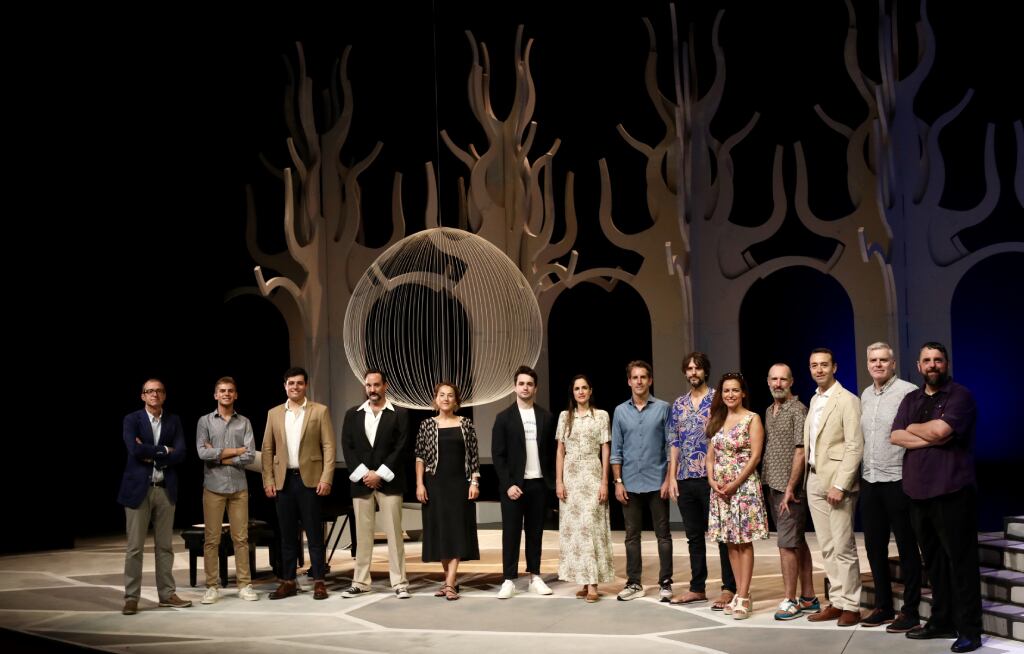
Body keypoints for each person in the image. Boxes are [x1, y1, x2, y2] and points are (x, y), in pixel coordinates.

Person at [891, 343, 982, 653]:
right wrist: (925, 433)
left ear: (946, 363)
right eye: (927, 360)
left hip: (952, 491)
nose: (932, 365)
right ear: (919, 366)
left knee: (961, 563)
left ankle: (970, 629)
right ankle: (941, 621)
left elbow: (942, 431)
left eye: (938, 360)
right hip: (917, 492)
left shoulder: (960, 396)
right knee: (934, 564)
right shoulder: (910, 399)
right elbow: (895, 436)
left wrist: (914, 429)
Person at [784, 348, 863, 627]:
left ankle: (852, 605)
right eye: (813, 365)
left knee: (843, 546)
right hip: (814, 478)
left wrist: (841, 484)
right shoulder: (815, 399)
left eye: (824, 365)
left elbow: (854, 446)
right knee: (827, 546)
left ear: (835, 367)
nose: (818, 370)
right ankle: (838, 601)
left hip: (836, 482)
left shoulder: (847, 400)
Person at [859, 343, 922, 632]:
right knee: (874, 547)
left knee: (908, 548)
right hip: (870, 480)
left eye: (884, 360)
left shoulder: (908, 392)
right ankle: (883, 606)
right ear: (868, 364)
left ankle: (910, 610)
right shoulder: (865, 395)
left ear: (893, 364)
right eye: (873, 360)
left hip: (898, 479)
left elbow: (915, 433)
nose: (878, 364)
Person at [666, 352, 737, 609]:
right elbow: (674, 441)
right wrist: (672, 476)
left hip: (713, 477)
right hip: (685, 477)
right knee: (693, 536)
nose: (693, 372)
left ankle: (729, 587)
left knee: (720, 535)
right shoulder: (679, 404)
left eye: (697, 368)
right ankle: (697, 588)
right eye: (689, 368)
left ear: (705, 371)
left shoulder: (718, 398)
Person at [118, 378, 192, 615]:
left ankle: (167, 594)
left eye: (159, 391)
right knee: (135, 548)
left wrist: (152, 453)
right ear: (143, 396)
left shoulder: (174, 420)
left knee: (165, 547)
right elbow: (134, 449)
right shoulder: (132, 420)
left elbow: (180, 453)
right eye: (149, 391)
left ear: (164, 395)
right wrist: (164, 450)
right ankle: (131, 598)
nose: (154, 394)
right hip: (138, 489)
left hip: (164, 488)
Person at [261, 367, 335, 601]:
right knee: (287, 535)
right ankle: (288, 581)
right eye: (291, 383)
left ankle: (319, 582)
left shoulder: (319, 411)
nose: (295, 387)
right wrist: (268, 479)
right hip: (283, 481)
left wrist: (326, 477)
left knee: (314, 534)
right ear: (285, 386)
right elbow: (267, 449)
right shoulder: (274, 413)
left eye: (299, 383)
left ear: (306, 386)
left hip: (310, 480)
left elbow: (329, 447)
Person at [340, 370, 411, 599]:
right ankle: (360, 581)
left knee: (394, 534)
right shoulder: (353, 414)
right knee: (362, 535)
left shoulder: (399, 413)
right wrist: (365, 475)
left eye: (376, 385)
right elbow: (347, 447)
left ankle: (399, 582)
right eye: (369, 385)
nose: (372, 389)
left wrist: (379, 474)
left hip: (389, 482)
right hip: (362, 483)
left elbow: (402, 447)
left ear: (385, 386)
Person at [706, 373, 769, 619]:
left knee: (744, 541)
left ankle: (743, 594)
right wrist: (712, 480)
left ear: (743, 393)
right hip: (720, 490)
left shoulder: (752, 419)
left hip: (743, 488)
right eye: (726, 391)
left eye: (735, 390)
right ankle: (738, 593)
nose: (730, 395)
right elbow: (710, 456)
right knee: (730, 541)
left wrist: (735, 483)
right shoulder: (717, 419)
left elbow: (755, 457)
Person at [610, 360, 674, 601]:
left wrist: (668, 480)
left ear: (650, 380)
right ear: (629, 381)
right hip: (630, 483)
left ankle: (665, 583)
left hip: (657, 481)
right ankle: (634, 583)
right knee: (631, 536)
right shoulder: (620, 411)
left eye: (643, 377)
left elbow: (670, 448)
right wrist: (617, 481)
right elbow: (616, 449)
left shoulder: (663, 408)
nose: (639, 381)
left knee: (664, 535)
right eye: (634, 377)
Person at [492, 365, 557, 599]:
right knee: (510, 533)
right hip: (513, 486)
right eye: (521, 383)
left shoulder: (546, 417)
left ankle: (534, 577)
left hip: (538, 484)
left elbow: (551, 453)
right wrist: (509, 484)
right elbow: (498, 455)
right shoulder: (503, 418)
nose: (525, 387)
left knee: (535, 533)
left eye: (529, 384)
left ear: (535, 387)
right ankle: (508, 579)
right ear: (515, 387)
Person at [762, 364, 819, 621]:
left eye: (783, 379)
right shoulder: (769, 410)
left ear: (792, 381)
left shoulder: (798, 409)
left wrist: (790, 488)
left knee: (786, 544)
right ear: (768, 381)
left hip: (790, 489)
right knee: (796, 540)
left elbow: (801, 451)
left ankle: (790, 600)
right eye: (774, 379)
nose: (778, 383)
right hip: (773, 484)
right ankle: (809, 596)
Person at [415, 382, 481, 601]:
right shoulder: (426, 425)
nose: (445, 398)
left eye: (450, 395)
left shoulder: (466, 424)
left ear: (456, 400)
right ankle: (448, 581)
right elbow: (420, 457)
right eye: (441, 395)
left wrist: (474, 483)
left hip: (459, 484)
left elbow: (473, 457)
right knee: (441, 533)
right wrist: (419, 484)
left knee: (457, 532)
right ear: (436, 399)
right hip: (434, 484)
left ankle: (451, 583)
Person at [196, 377, 258, 604]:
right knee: (211, 540)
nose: (226, 394)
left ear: (236, 395)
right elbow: (203, 453)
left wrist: (221, 456)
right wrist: (235, 451)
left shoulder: (245, 422)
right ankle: (212, 586)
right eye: (222, 391)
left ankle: (245, 584)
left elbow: (250, 455)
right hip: (213, 487)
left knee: (241, 538)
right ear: (215, 395)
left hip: (238, 487)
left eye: (230, 391)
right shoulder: (205, 422)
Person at [554, 374, 615, 603]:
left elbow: (605, 449)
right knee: (576, 530)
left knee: (591, 527)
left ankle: (593, 584)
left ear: (590, 391)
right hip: (570, 476)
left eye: (584, 388)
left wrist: (604, 482)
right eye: (577, 388)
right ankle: (583, 579)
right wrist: (559, 481)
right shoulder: (564, 417)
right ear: (573, 392)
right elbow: (560, 450)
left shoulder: (600, 416)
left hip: (591, 474)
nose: (580, 392)